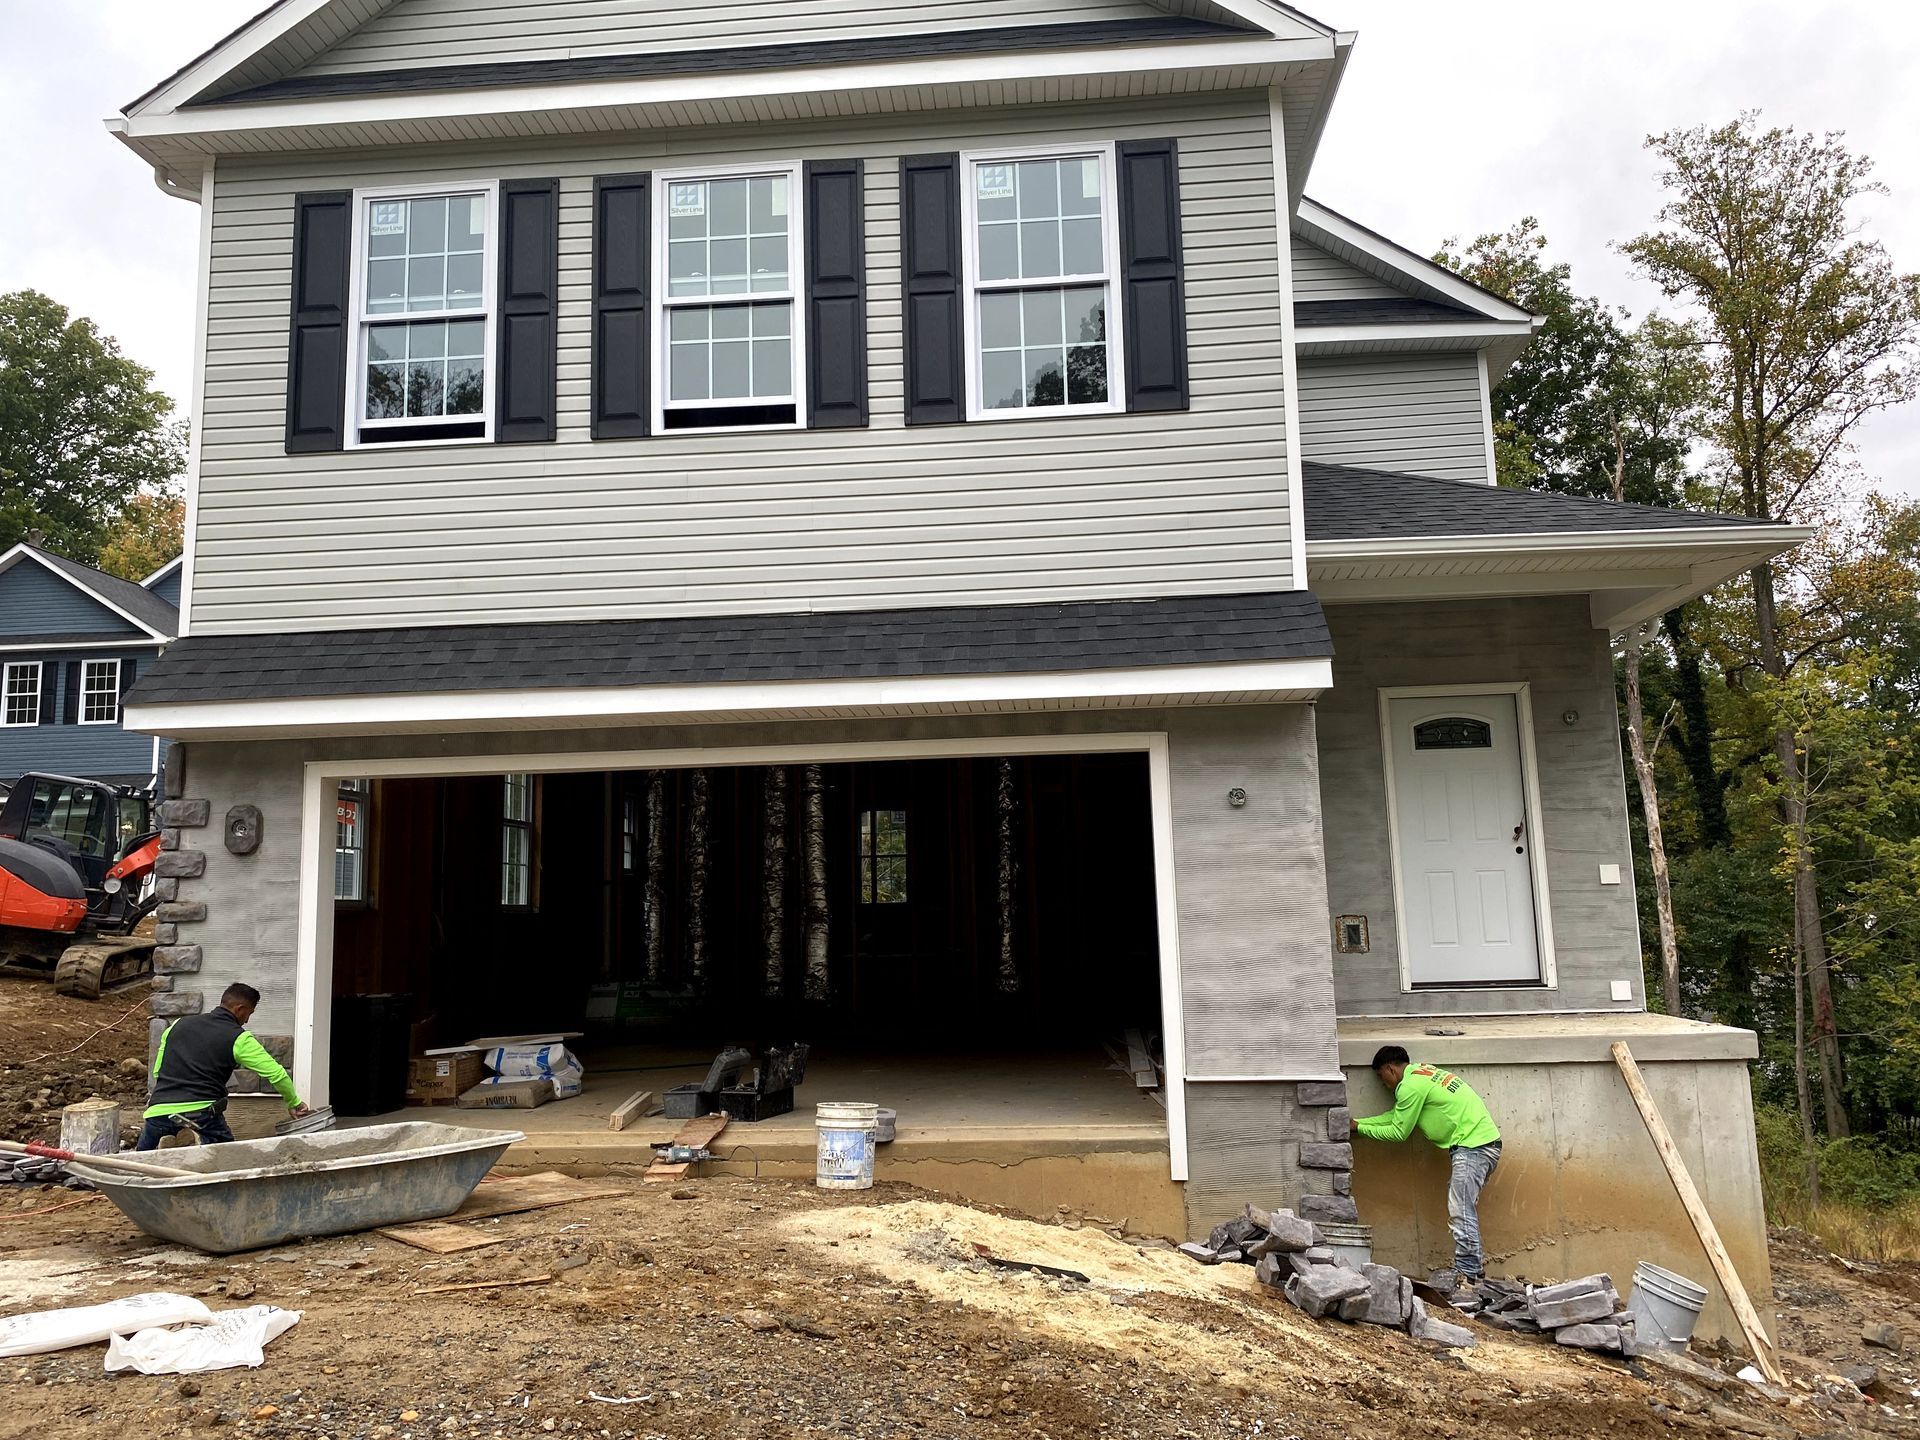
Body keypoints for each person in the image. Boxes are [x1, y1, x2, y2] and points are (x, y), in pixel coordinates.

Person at [1353, 1044, 1502, 1286]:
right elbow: (1396, 1117)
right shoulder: (1421, 1074)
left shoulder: (1410, 1086)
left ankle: (1468, 1273)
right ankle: (1472, 1271)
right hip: (1480, 1145)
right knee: (1462, 1208)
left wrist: (1360, 1128)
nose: (1383, 1084)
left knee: (1461, 1209)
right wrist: (1359, 1124)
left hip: (1473, 1147)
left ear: (1390, 1069)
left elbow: (1399, 1132)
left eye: (1381, 1077)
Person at [136, 982, 309, 1150]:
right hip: (202, 1115)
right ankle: (195, 1141)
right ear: (239, 1009)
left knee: (137, 1163)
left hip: (158, 1112)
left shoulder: (177, 1025)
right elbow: (277, 1074)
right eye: (249, 1014)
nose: (247, 1020)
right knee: (229, 1158)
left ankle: (170, 1144)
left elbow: (157, 1071)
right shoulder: (239, 1038)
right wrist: (293, 1102)